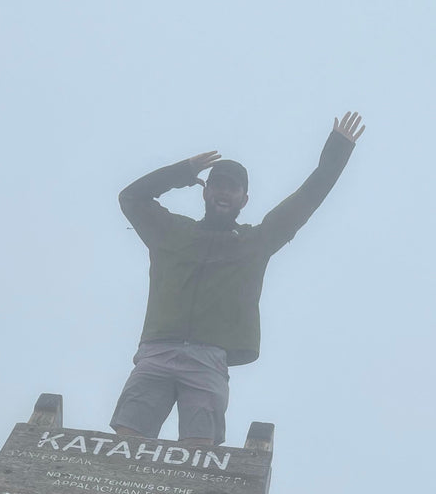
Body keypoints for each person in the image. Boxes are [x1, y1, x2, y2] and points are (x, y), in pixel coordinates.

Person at [110, 111, 365, 448]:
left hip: (208, 360)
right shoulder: (170, 232)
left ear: (245, 199)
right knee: (125, 445)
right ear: (205, 191)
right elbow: (131, 198)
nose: (224, 192)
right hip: (158, 350)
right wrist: (183, 172)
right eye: (217, 184)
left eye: (233, 188)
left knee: (199, 455)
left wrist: (337, 149)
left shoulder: (254, 243)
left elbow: (307, 199)